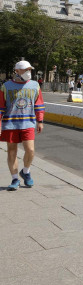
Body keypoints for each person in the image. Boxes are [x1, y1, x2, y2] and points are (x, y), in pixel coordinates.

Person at [0, 60, 45, 191]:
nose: (28, 72)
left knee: (30, 150)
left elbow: (39, 104)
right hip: (10, 123)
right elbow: (1, 107)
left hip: (28, 122)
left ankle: (25, 171)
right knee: (12, 151)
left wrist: (40, 121)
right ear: (17, 71)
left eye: (29, 70)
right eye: (25, 70)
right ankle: (15, 179)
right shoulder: (6, 86)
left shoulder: (35, 85)